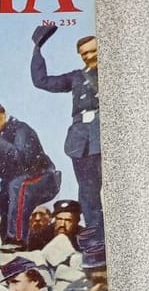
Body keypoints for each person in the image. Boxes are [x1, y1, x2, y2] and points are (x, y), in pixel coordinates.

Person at [30, 26, 103, 235]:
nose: (89, 56)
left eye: (93, 51)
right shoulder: (77, 77)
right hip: (81, 141)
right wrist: (37, 49)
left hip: (104, 134)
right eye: (84, 54)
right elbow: (42, 81)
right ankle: (95, 235)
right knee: (87, 190)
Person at [0, 96, 60, 245]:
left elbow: (24, 160)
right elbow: (1, 172)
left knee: (18, 185)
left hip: (44, 177)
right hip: (18, 181)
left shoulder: (20, 129)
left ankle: (17, 239)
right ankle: (6, 240)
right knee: (5, 193)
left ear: (3, 112)